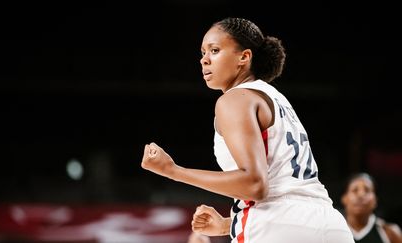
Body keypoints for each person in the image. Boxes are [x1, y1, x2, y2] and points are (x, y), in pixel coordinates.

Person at [141, 17, 354, 242]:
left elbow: (255, 184)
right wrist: (227, 225)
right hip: (330, 224)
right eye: (202, 52)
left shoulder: (235, 99)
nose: (204, 60)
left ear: (244, 57)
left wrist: (173, 170)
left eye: (214, 50)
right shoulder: (277, 99)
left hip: (277, 226)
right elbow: (288, 192)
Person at [341, 172, 402, 243]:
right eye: (355, 190)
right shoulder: (333, 228)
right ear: (344, 199)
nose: (361, 195)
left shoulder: (389, 232)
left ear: (375, 200)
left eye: (367, 190)